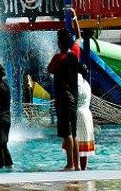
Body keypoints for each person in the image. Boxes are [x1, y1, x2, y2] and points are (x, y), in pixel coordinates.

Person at [47, 28, 79, 170]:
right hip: (74, 97)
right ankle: (77, 165)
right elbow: (78, 39)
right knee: (74, 133)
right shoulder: (74, 56)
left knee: (67, 133)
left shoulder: (58, 58)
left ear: (59, 43)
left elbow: (50, 69)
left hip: (64, 99)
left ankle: (70, 164)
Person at [76, 64, 95, 169]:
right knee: (84, 145)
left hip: (79, 114)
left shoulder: (78, 81)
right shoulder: (86, 84)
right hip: (87, 114)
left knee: (76, 142)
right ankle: (84, 168)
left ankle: (76, 167)